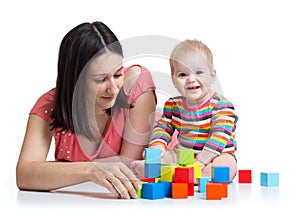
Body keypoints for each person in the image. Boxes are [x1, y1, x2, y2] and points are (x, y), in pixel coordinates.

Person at [16, 21, 157, 199]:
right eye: (100, 79)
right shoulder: (49, 106)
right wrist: (90, 169)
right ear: (75, 80)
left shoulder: (136, 86)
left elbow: (129, 166)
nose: (113, 89)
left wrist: (57, 170)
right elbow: (25, 174)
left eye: (118, 74)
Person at [131, 39, 238, 182]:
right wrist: (157, 146)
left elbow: (219, 137)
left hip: (215, 155)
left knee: (225, 167)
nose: (191, 79)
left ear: (212, 76)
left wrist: (200, 162)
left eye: (199, 72)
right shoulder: (173, 105)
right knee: (165, 157)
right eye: (183, 75)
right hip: (183, 154)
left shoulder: (221, 106)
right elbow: (164, 127)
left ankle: (184, 176)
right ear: (174, 80)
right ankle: (157, 170)